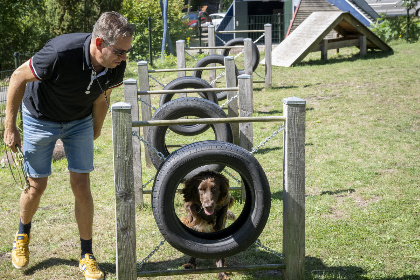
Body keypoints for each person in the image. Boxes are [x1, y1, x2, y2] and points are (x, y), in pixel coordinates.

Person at [4, 11, 134, 280]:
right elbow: (17, 77)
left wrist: (95, 130)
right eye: (120, 52)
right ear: (99, 43)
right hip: (40, 117)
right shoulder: (60, 53)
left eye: (126, 52)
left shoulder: (115, 64)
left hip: (79, 120)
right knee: (36, 186)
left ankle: (87, 254)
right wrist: (10, 128)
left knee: (82, 185)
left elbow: (101, 98)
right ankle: (22, 235)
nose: (124, 58)